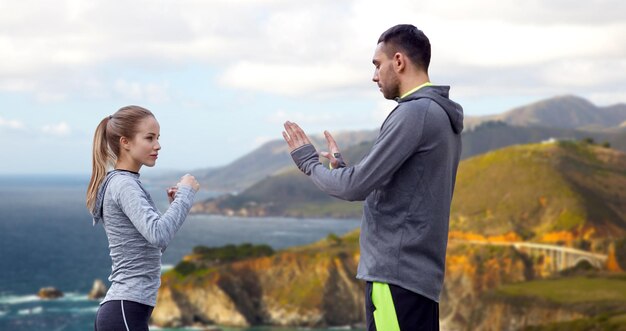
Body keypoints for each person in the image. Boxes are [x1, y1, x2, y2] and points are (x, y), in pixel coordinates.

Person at [282, 24, 463, 330]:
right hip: (415, 280)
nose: (374, 76)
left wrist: (308, 162)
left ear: (399, 61)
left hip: (396, 276)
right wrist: (339, 169)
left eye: (378, 65)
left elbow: (357, 186)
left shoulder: (414, 113)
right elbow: (393, 187)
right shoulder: (439, 115)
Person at [86, 105, 200, 331]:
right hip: (124, 312)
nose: (157, 145)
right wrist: (186, 194)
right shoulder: (125, 185)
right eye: (149, 138)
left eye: (157, 138)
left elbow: (154, 246)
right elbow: (158, 235)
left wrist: (175, 205)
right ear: (125, 142)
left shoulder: (127, 182)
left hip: (125, 312)